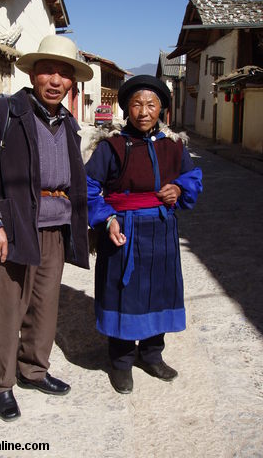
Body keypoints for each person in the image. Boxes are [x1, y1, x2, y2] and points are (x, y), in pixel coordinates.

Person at [0, 35, 93, 421]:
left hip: (56, 228)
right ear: (33, 74)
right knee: (7, 309)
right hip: (14, 228)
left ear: (72, 83)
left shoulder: (68, 122)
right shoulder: (3, 112)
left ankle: (34, 369)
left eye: (64, 73)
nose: (55, 80)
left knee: (45, 307)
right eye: (48, 70)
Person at [85, 75, 202, 394]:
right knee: (122, 294)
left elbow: (192, 178)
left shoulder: (174, 145)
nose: (143, 111)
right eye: (136, 104)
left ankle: (152, 355)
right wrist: (106, 220)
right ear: (126, 108)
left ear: (162, 109)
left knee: (158, 291)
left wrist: (178, 188)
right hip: (122, 230)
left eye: (151, 104)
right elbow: (89, 187)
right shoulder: (111, 147)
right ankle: (121, 362)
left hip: (162, 232)